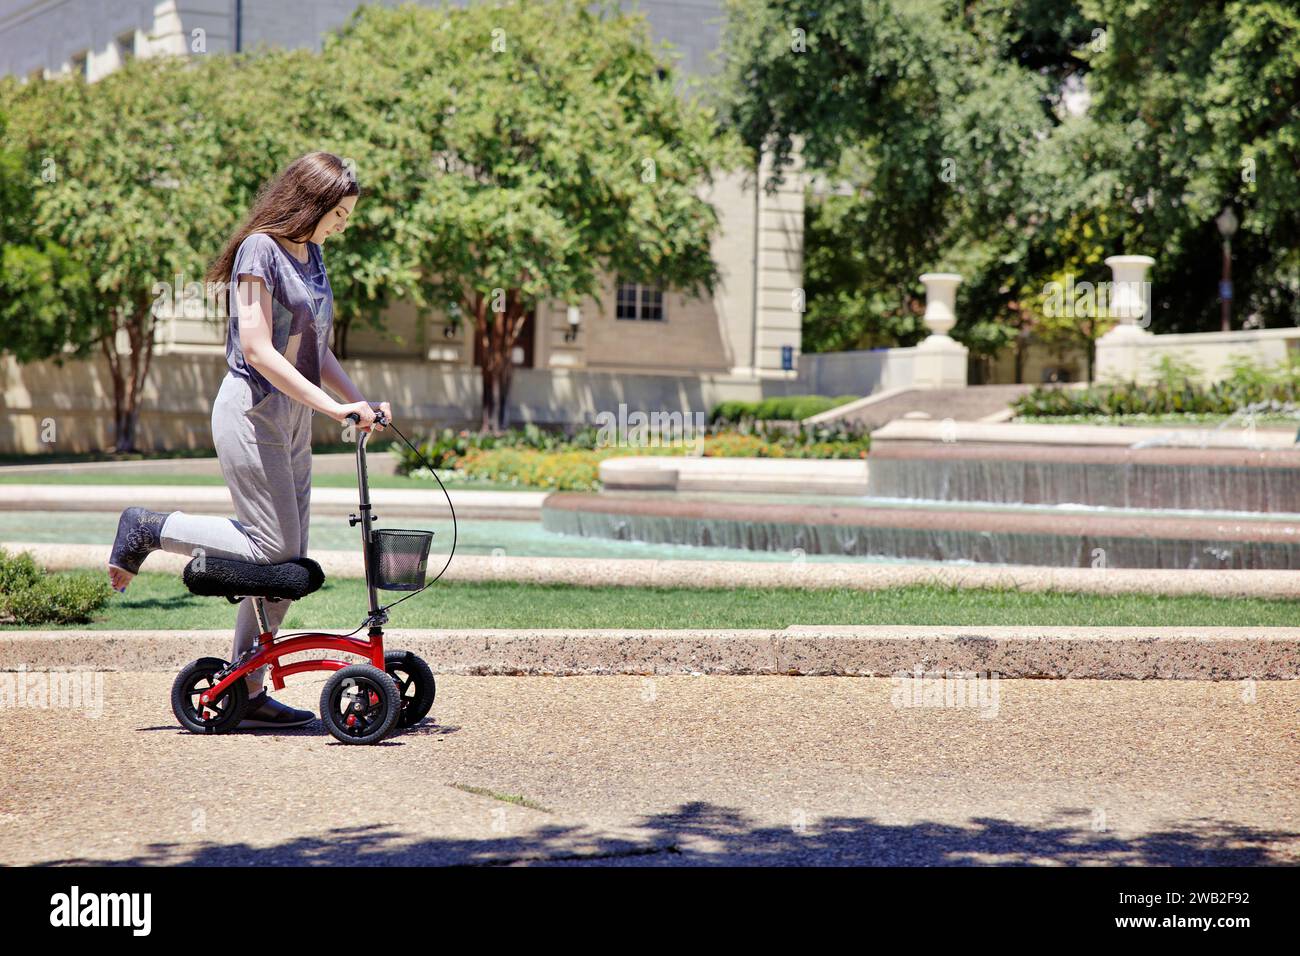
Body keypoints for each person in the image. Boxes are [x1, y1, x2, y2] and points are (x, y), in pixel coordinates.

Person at [106, 151, 390, 728]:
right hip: (252, 410)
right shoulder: (260, 249)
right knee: (270, 550)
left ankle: (245, 688)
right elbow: (258, 349)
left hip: (294, 417)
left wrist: (356, 402)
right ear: (310, 204)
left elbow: (316, 348)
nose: (344, 225)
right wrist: (332, 405)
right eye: (339, 213)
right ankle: (149, 527)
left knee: (285, 565)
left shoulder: (312, 255)